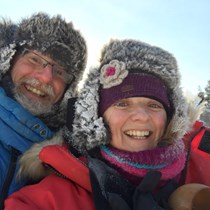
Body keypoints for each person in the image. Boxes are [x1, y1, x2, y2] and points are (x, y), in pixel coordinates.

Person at [4, 39, 199, 210]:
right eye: (122, 103)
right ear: (98, 117)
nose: (141, 115)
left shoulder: (199, 167)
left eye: (154, 105)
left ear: (171, 118)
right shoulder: (52, 196)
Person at [0, 12, 87, 205]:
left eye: (60, 72)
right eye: (34, 59)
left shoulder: (73, 154)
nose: (46, 77)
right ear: (9, 58)